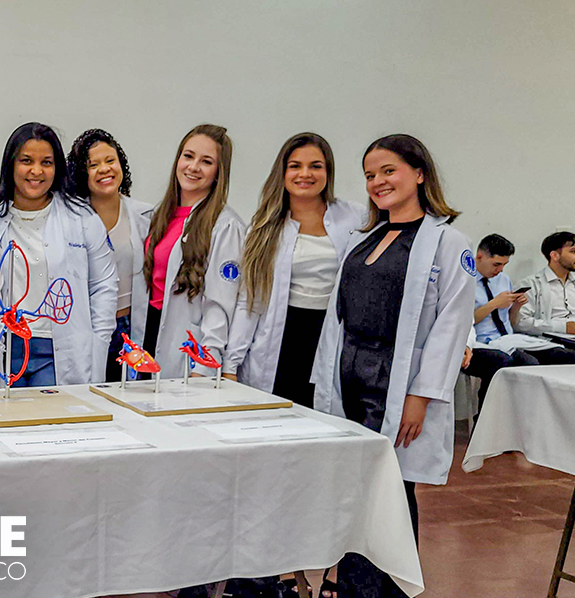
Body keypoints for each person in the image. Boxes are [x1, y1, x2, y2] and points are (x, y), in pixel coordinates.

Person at [312, 134, 474, 597]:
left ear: (419, 173)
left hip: (398, 382)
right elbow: (338, 315)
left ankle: (388, 591)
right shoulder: (363, 239)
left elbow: (450, 325)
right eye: (369, 175)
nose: (377, 182)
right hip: (349, 374)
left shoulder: (447, 241)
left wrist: (421, 397)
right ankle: (350, 586)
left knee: (392, 495)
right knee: (352, 490)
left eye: (388, 171)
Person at [226, 133, 365, 406]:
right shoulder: (264, 227)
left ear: (328, 171)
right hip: (281, 339)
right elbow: (249, 301)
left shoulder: (355, 217)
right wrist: (231, 365)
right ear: (283, 172)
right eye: (295, 166)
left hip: (330, 334)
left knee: (326, 423)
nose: (305, 174)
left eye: (316, 166)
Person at [0, 122, 116, 387]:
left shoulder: (82, 218)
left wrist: (97, 342)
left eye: (46, 162)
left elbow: (104, 287)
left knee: (53, 424)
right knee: (2, 424)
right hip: (5, 345)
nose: (36, 171)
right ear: (11, 165)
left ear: (57, 168)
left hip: (57, 350)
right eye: (26, 161)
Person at [138, 124, 244, 379]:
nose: (193, 167)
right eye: (188, 156)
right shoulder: (160, 214)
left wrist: (205, 365)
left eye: (206, 161)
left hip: (185, 347)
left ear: (219, 172)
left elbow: (221, 303)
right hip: (148, 332)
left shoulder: (226, 226)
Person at [68, 128, 153, 381]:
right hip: (89, 326)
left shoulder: (144, 216)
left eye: (110, 161)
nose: (104, 169)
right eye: (93, 165)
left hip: (131, 325)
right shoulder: (72, 219)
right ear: (82, 174)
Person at [471, 233, 575, 363]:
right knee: (527, 363)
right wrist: (494, 304)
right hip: (482, 341)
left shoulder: (503, 280)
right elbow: (463, 322)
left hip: (508, 339)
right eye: (496, 264)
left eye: (504, 265)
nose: (500, 270)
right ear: (479, 257)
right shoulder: (466, 282)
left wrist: (516, 306)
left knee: (562, 354)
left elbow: (511, 322)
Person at [517, 231, 575, 337]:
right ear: (554, 255)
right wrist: (564, 327)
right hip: (553, 340)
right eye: (573, 252)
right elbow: (521, 323)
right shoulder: (531, 284)